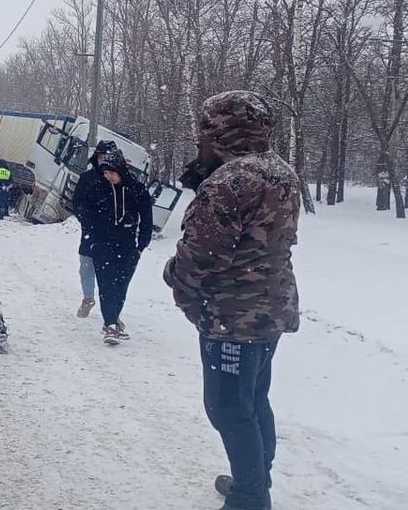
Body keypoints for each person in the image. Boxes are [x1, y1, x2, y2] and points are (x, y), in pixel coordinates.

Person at [163, 91, 301, 510]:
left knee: (227, 408)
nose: (199, 136)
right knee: (253, 400)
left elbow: (203, 256)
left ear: (219, 128)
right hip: (270, 308)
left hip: (233, 316)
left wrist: (173, 275)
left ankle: (250, 496)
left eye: (205, 128)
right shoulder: (280, 170)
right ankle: (256, 479)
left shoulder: (230, 181)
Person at [82, 148, 152, 344]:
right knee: (106, 285)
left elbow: (147, 219)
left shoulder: (137, 190)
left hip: (128, 247)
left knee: (121, 286)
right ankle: (110, 324)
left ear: (120, 170)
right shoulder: (97, 189)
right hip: (102, 246)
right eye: (104, 173)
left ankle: (113, 318)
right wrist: (93, 240)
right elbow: (85, 213)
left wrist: (141, 245)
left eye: (111, 172)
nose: (107, 176)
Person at [71, 140, 121, 318]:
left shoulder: (119, 180)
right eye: (101, 157)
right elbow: (77, 202)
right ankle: (88, 299)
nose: (103, 161)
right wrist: (86, 221)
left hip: (113, 234)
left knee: (110, 273)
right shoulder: (88, 178)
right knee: (86, 267)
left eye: (107, 157)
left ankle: (112, 311)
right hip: (90, 232)